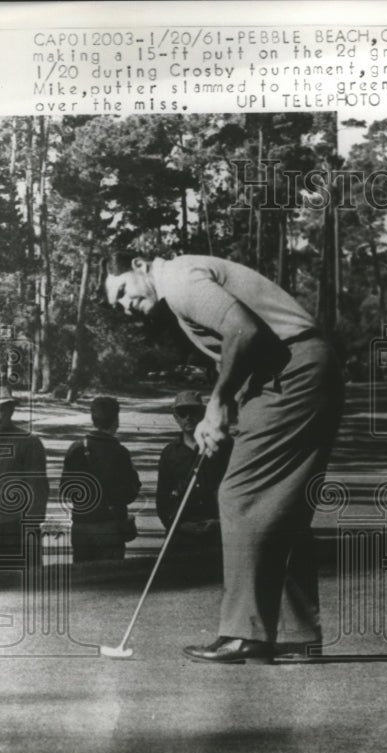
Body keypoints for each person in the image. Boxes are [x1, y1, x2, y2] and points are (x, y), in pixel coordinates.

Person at [105, 252, 344, 663]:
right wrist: (223, 406)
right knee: (280, 506)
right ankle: (298, 635)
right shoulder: (181, 282)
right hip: (299, 370)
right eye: (117, 305)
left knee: (239, 496)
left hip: (293, 372)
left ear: (140, 264)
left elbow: (242, 330)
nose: (126, 306)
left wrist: (216, 404)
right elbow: (243, 343)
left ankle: (244, 634)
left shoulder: (178, 281)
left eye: (123, 290)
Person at [61, 396, 141, 563]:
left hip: (81, 526)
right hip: (110, 526)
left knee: (83, 580)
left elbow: (66, 489)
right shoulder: (120, 452)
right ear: (116, 420)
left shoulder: (76, 448)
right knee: (109, 580)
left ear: (93, 419)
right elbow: (131, 491)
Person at [156, 390, 231, 557]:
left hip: (216, 533)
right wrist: (179, 525)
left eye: (194, 412)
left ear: (203, 414)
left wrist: (219, 522)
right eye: (182, 412)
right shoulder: (169, 453)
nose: (188, 417)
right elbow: (162, 499)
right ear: (175, 416)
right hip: (181, 535)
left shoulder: (220, 448)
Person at [0, 385, 49, 571]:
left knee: (21, 587)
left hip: (15, 527)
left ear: (11, 410)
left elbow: (37, 488)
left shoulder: (28, 442)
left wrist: (31, 527)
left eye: (2, 410)